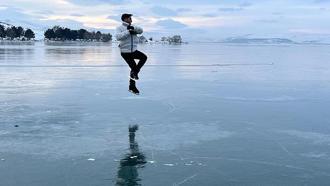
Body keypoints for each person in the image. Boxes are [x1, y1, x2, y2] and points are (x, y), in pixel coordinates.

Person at [116, 13, 147, 95]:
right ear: (125, 19)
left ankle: (132, 83)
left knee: (144, 58)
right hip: (125, 52)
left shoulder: (133, 26)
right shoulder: (120, 28)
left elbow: (141, 31)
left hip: (133, 51)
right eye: (130, 18)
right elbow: (118, 37)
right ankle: (132, 87)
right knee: (133, 68)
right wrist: (128, 31)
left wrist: (133, 28)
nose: (131, 20)